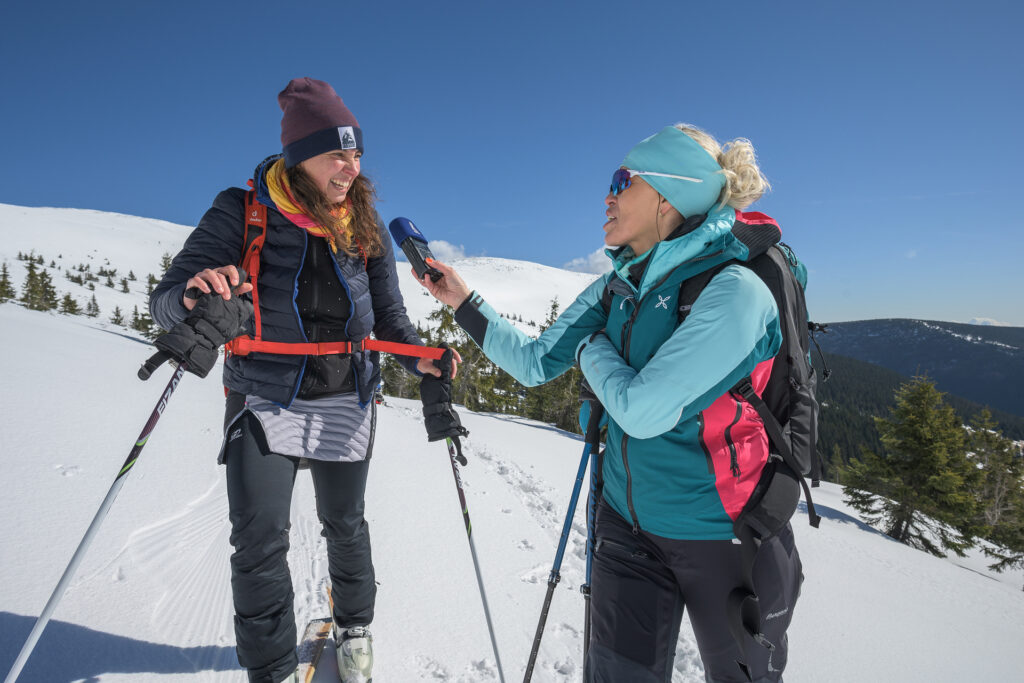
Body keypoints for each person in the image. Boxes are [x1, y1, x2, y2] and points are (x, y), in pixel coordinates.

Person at [419, 124, 803, 682]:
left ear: (668, 197)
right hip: (625, 523)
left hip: (723, 534)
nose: (608, 195)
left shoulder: (736, 290)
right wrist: (462, 300)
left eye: (623, 180)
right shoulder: (619, 285)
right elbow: (532, 363)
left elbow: (642, 410)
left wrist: (593, 348)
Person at [151, 77, 456, 683]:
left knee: (345, 522)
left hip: (347, 393)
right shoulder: (240, 210)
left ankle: (355, 627)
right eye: (336, 154)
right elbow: (168, 296)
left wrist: (415, 357)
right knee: (259, 537)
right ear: (299, 155)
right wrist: (194, 296)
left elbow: (389, 319)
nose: (351, 167)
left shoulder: (362, 223)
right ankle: (269, 670)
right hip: (263, 392)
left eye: (357, 153)